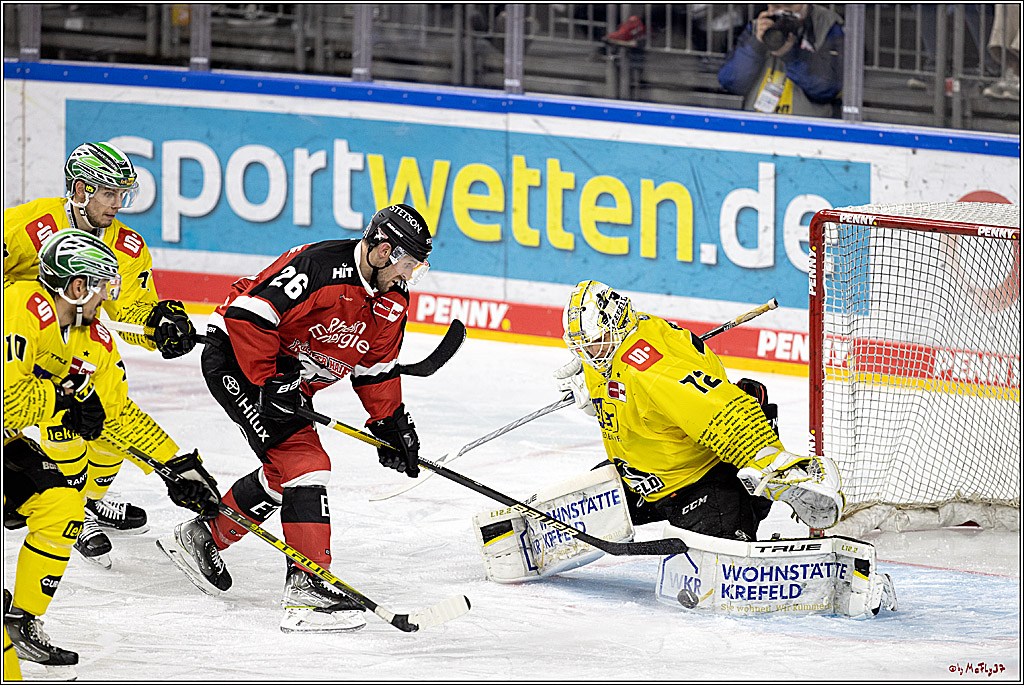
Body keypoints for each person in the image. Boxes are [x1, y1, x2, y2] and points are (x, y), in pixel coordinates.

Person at [159, 203, 433, 634]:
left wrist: (390, 423)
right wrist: (270, 381)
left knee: (286, 472)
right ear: (382, 250)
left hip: (287, 381)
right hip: (240, 361)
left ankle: (206, 536)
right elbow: (249, 314)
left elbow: (374, 365)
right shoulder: (320, 268)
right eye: (407, 265)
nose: (408, 277)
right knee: (305, 464)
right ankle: (308, 587)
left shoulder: (392, 298)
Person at [3, 229, 221, 675]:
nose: (107, 302)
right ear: (77, 287)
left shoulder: (92, 341)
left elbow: (116, 416)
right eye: (103, 289)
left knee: (62, 504)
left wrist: (175, 465)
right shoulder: (19, 306)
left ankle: (20, 623)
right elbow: (7, 396)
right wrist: (60, 402)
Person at [3, 141, 206, 569]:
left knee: (107, 403)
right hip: (19, 333)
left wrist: (157, 326)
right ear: (80, 190)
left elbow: (127, 311)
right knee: (65, 417)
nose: (118, 204)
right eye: (109, 193)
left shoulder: (126, 246)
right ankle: (69, 504)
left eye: (123, 195)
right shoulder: (24, 225)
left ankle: (89, 502)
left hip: (72, 333)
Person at [554, 280, 843, 539]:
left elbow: (720, 412)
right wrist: (594, 391)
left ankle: (763, 484)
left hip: (702, 482)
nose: (588, 353)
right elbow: (627, 394)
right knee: (574, 515)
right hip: (643, 476)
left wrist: (771, 459)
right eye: (581, 347)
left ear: (617, 324)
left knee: (717, 560)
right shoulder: (612, 348)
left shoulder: (650, 370)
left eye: (593, 344)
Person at [718, 3, 843, 118]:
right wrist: (756, 44)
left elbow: (827, 87)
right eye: (777, 6)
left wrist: (791, 54)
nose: (783, 11)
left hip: (807, 128)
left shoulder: (828, 24)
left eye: (789, 5)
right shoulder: (759, 25)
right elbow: (731, 82)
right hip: (758, 123)